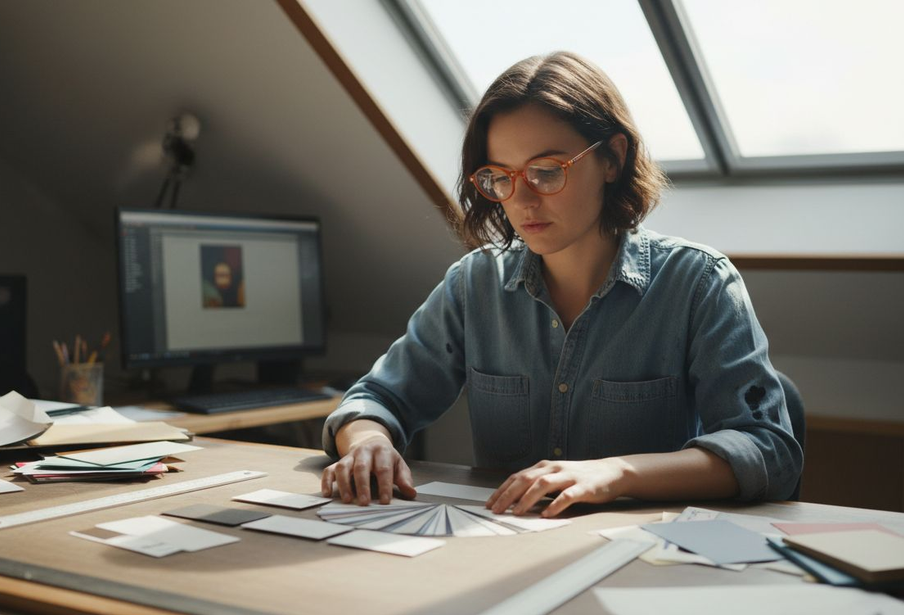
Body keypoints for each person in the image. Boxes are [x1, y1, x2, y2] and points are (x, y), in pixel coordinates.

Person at [320, 51, 802, 518]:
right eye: (500, 177)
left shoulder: (699, 284)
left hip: (641, 558)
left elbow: (768, 448)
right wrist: (368, 445)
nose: (522, 199)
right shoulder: (475, 284)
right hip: (498, 549)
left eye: (547, 171)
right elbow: (376, 398)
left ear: (612, 158)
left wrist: (619, 473)